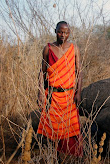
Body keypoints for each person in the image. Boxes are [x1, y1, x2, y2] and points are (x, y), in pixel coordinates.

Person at [37, 21, 83, 157]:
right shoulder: (48, 48)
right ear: (55, 31)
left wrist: (78, 92)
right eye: (60, 32)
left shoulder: (74, 48)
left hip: (68, 96)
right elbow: (42, 72)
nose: (63, 35)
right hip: (52, 95)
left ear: (69, 33)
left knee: (73, 128)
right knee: (51, 129)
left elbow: (79, 72)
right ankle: (53, 158)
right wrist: (40, 93)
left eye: (66, 32)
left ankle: (77, 158)